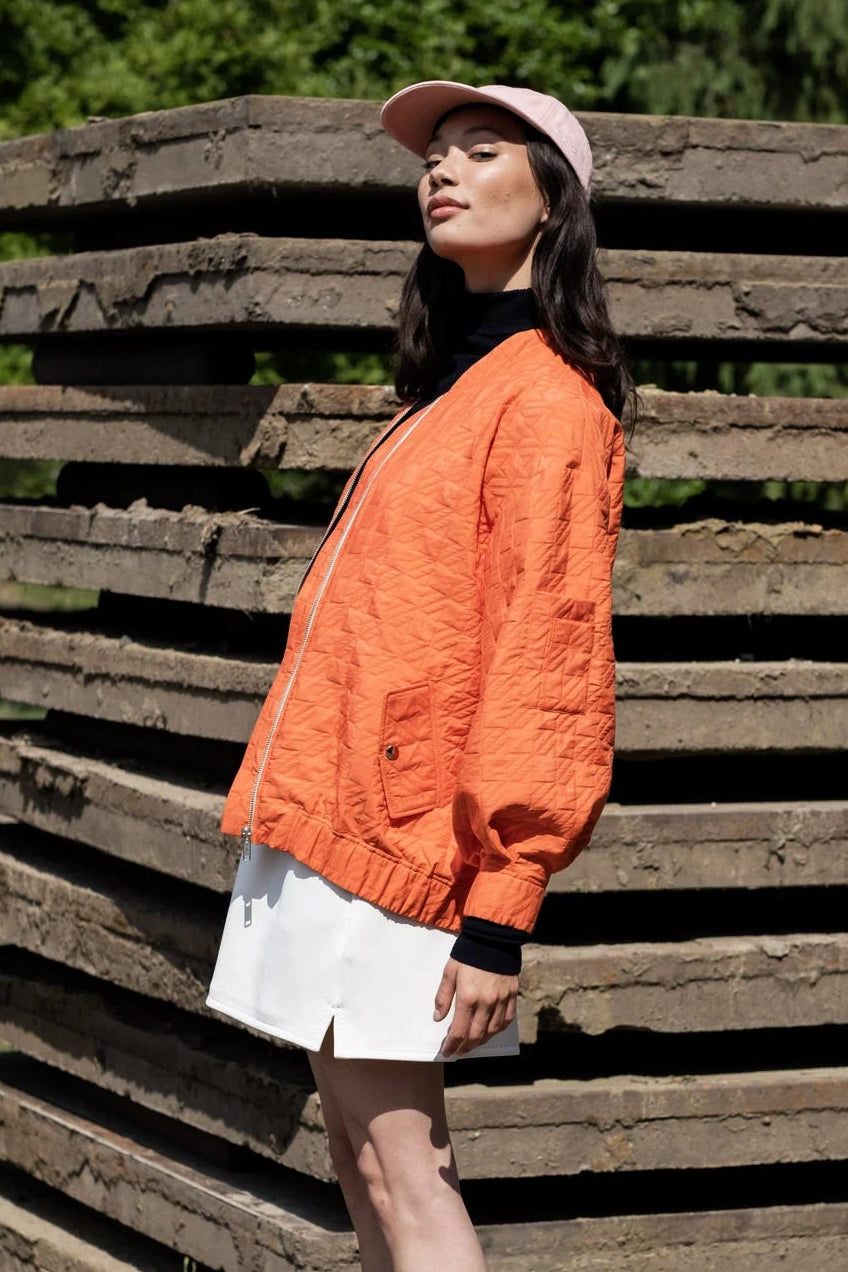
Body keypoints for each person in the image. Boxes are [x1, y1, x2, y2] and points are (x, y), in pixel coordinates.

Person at [206, 79, 632, 1272]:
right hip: (333, 818)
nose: (438, 170)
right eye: (431, 156)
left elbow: (547, 661)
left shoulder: (549, 399)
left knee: (406, 1166)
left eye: (478, 150)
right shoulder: (449, 389)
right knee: (357, 1156)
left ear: (551, 202)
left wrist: (500, 912)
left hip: (412, 843)